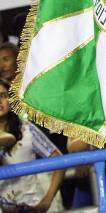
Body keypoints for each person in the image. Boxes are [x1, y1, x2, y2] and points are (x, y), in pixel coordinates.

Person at [0, 80, 65, 212]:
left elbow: (59, 161)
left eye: (2, 95)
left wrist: (47, 200)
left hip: (31, 206)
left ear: (10, 99)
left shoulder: (26, 129)